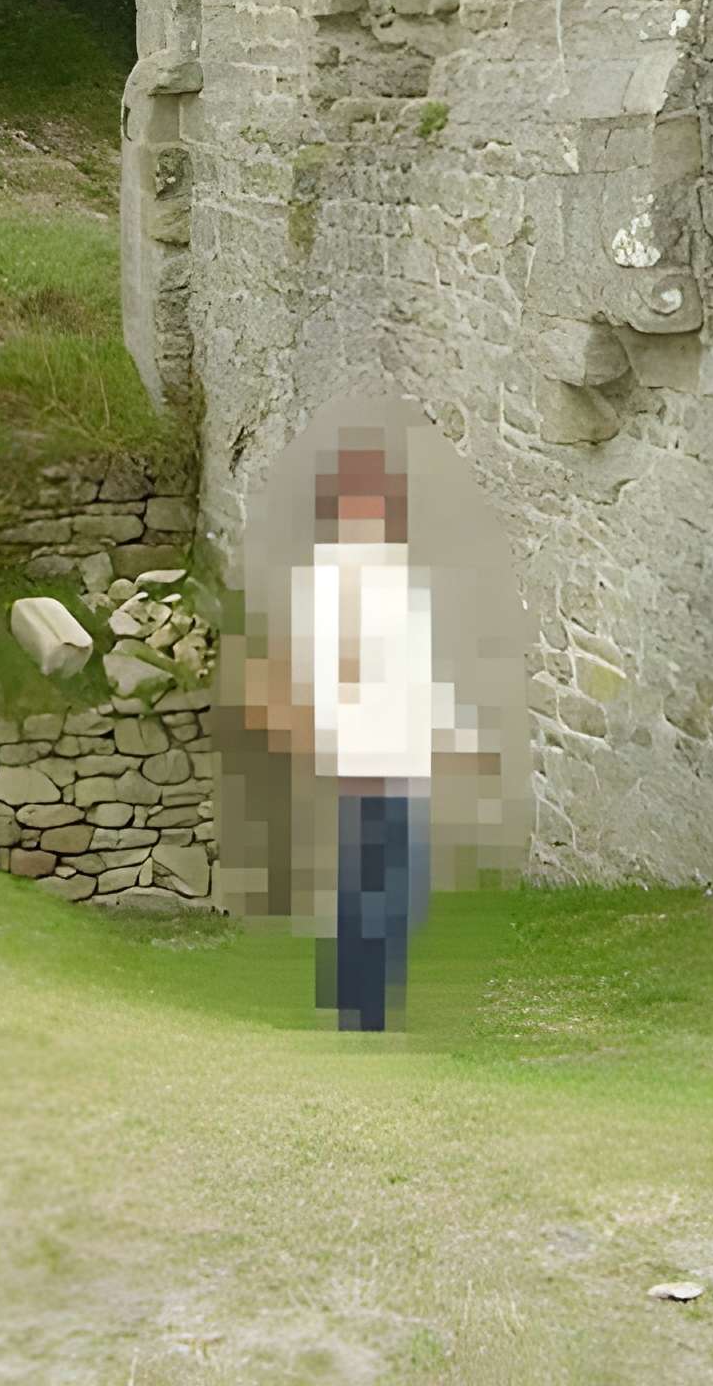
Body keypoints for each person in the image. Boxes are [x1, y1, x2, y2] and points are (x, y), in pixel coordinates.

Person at [242, 437, 488, 1030]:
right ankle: (360, 1012)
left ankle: (362, 1003)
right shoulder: (324, 585)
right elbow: (317, 671)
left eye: (376, 504)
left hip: (407, 755)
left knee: (401, 890)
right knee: (371, 889)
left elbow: (420, 668)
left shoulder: (400, 580)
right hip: (361, 755)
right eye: (357, 504)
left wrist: (454, 734)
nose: (368, 516)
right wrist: (339, 735)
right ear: (338, 509)